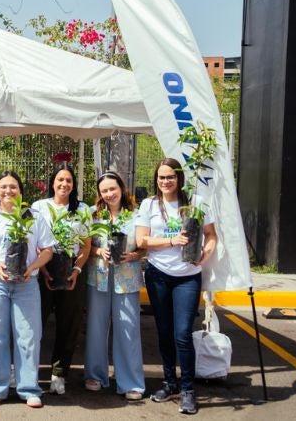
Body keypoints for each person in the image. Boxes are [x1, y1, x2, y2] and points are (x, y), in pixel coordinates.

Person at [0, 171, 55, 408]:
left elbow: (47, 249)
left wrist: (33, 267)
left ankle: (28, 388)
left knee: (28, 337)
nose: (8, 191)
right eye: (3, 187)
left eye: (13, 187)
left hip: (27, 285)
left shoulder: (33, 217)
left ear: (20, 190)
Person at [136, 158, 217, 415]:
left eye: (170, 177)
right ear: (156, 180)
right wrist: (172, 240)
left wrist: (204, 255)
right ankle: (170, 382)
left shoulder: (195, 203)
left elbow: (211, 235)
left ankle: (188, 390)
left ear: (179, 178)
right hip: (158, 275)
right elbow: (141, 240)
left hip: (187, 276)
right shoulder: (149, 204)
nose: (165, 181)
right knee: (164, 331)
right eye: (161, 177)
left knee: (182, 334)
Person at [83, 171, 145, 400]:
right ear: (99, 194)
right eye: (104, 190)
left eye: (113, 189)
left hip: (127, 278)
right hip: (98, 276)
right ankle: (95, 375)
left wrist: (136, 255)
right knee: (96, 327)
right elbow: (84, 246)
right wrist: (99, 250)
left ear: (121, 188)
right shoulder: (93, 215)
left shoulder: (137, 215)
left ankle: (131, 382)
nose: (109, 194)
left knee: (128, 328)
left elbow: (145, 246)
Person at [32, 165, 92, 395]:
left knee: (69, 325)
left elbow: (86, 246)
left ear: (73, 185)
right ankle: (29, 371)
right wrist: (45, 271)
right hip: (43, 270)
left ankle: (59, 373)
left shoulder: (82, 209)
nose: (64, 184)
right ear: (52, 183)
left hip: (71, 272)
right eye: (59, 180)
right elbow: (34, 242)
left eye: (68, 180)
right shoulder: (39, 207)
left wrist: (76, 270)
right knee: (35, 323)